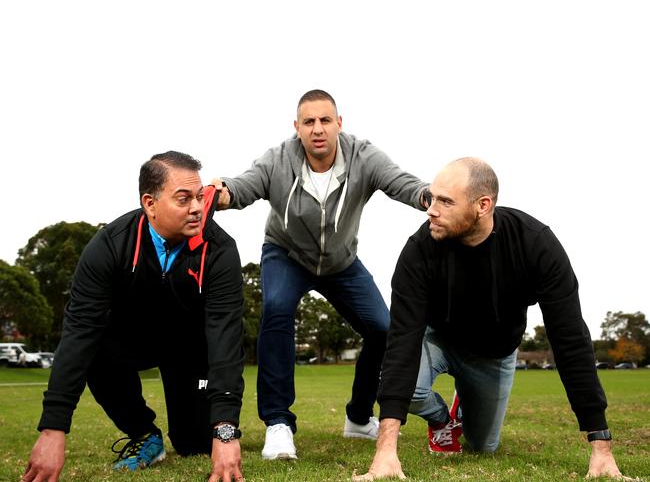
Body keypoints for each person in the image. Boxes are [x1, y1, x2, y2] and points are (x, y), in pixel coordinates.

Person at [354, 157, 627, 480]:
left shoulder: (535, 245)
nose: (431, 209)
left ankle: (465, 404)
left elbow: (570, 339)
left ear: (482, 205)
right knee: (408, 388)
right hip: (438, 337)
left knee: (483, 446)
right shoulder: (420, 250)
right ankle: (443, 418)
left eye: (445, 201)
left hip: (494, 353)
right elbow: (402, 341)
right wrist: (386, 450)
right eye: (432, 197)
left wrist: (601, 444)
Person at [212, 89, 429, 460]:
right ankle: (278, 424)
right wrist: (223, 193)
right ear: (297, 127)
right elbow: (245, 185)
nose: (317, 129)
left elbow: (400, 181)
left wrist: (429, 196)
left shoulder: (364, 156)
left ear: (339, 124)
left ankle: (359, 418)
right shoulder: (278, 159)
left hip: (341, 263)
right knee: (277, 309)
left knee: (383, 330)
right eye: (309, 122)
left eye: (325, 120)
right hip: (286, 254)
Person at [22, 151, 246, 482]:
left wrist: (225, 431)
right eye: (183, 199)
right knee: (93, 346)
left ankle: (195, 432)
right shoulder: (109, 246)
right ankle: (144, 434)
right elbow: (79, 332)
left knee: (195, 445)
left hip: (191, 348)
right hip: (133, 342)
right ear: (150, 204)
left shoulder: (220, 250)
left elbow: (226, 337)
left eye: (199, 197)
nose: (197, 208)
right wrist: (53, 428)